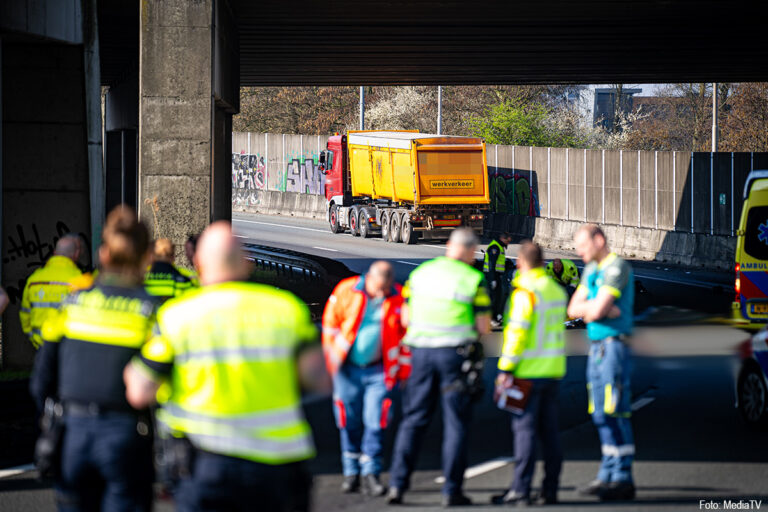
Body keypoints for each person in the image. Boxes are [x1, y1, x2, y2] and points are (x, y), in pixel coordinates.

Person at [124, 222, 328, 512]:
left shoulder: (177, 317)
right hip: (278, 464)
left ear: (198, 264)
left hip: (206, 463)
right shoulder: (286, 309)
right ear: (246, 264)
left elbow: (139, 391)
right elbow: (319, 379)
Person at [29, 206, 156, 511]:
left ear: (103, 254)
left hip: (72, 433)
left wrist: (54, 418)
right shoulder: (150, 312)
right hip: (125, 436)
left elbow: (41, 381)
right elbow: (161, 386)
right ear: (145, 257)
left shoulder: (72, 304)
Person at [387, 228, 492, 507]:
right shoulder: (473, 279)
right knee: (455, 424)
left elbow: (406, 317)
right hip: (455, 355)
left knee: (413, 420)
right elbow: (483, 326)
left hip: (420, 354)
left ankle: (397, 485)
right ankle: (452, 491)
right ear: (470, 251)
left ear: (448, 246)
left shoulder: (420, 274)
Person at [322, 261, 410, 496]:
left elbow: (405, 338)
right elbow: (330, 327)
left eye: (386, 289)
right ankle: (351, 473)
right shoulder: (346, 290)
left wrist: (402, 373)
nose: (382, 294)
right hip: (346, 369)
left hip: (379, 371)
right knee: (347, 420)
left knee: (377, 420)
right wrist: (331, 364)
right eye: (379, 289)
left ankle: (371, 471)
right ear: (369, 279)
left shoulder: (398, 296)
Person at [491, 241, 567, 506]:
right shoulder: (555, 291)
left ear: (521, 263)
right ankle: (550, 490)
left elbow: (517, 334)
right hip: (553, 369)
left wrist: (505, 368)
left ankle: (520, 490)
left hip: (527, 371)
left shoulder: (525, 293)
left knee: (524, 432)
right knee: (550, 434)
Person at [567, 224, 636, 501]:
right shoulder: (592, 270)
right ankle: (607, 475)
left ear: (599, 240)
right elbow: (574, 309)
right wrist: (599, 307)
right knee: (598, 412)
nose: (580, 253)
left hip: (614, 347)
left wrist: (596, 308)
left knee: (615, 409)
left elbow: (592, 311)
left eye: (583, 247)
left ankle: (623, 477)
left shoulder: (615, 268)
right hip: (596, 349)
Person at [20, 234, 83, 349]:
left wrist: (33, 337)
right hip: (68, 347)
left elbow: (25, 314)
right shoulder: (80, 280)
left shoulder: (33, 280)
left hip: (40, 343)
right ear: (76, 254)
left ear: (54, 253)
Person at [484, 232, 513, 326]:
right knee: (494, 298)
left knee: (499, 296)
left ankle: (496, 317)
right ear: (503, 239)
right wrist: (492, 279)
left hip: (497, 276)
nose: (508, 243)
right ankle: (491, 318)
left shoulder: (499, 246)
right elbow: (492, 264)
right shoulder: (495, 247)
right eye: (508, 241)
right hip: (492, 275)